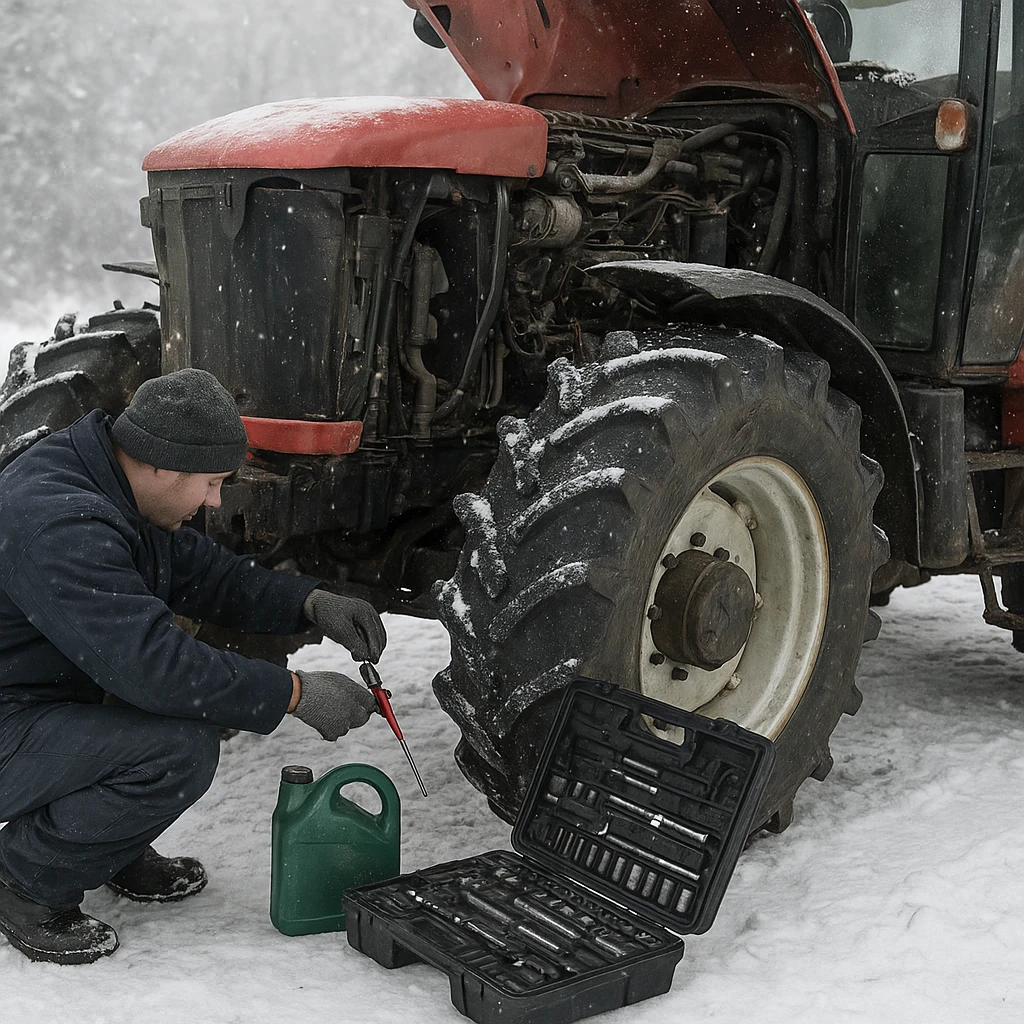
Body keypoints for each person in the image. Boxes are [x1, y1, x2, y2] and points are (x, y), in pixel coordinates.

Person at [0, 368, 387, 964]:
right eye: (211, 482)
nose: (214, 499)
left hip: (28, 698)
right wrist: (294, 692)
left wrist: (310, 602)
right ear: (161, 464)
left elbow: (201, 572)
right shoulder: (60, 521)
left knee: (150, 713)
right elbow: (152, 665)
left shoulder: (107, 480)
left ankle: (101, 845)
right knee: (175, 750)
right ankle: (22, 881)